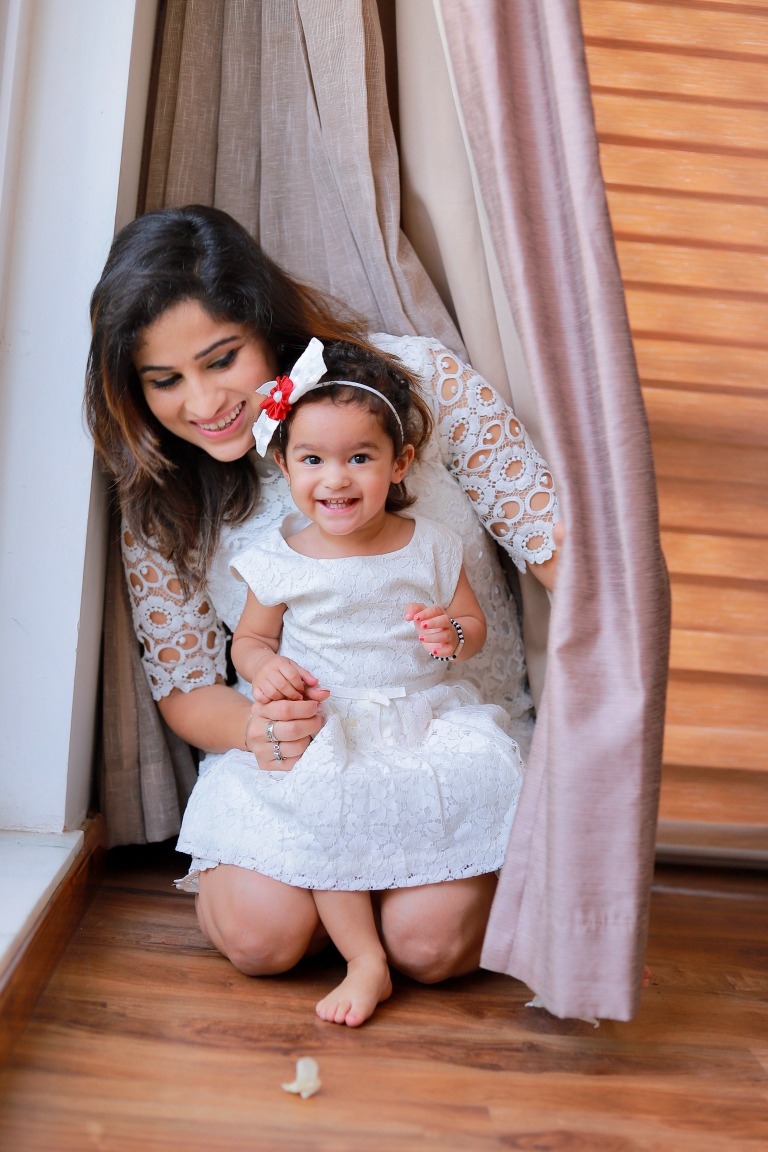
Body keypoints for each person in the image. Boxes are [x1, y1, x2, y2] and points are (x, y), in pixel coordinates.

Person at [85, 203, 559, 995]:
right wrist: (259, 727)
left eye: (221, 360)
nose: (202, 403)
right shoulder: (167, 493)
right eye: (165, 381)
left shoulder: (413, 383)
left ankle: (390, 913)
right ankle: (340, 911)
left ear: (265, 327)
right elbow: (188, 689)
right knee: (261, 937)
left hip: (441, 733)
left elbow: (559, 551)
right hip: (305, 750)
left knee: (430, 945)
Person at [176, 338, 527, 1026]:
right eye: (313, 460)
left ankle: (453, 919)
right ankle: (365, 960)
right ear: (283, 464)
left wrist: (451, 635)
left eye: (359, 458)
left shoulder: (430, 544)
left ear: (399, 463)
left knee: (420, 826)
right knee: (326, 814)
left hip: (416, 727)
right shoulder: (280, 557)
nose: (335, 479)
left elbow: (470, 622)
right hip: (327, 725)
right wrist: (265, 668)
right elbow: (250, 641)